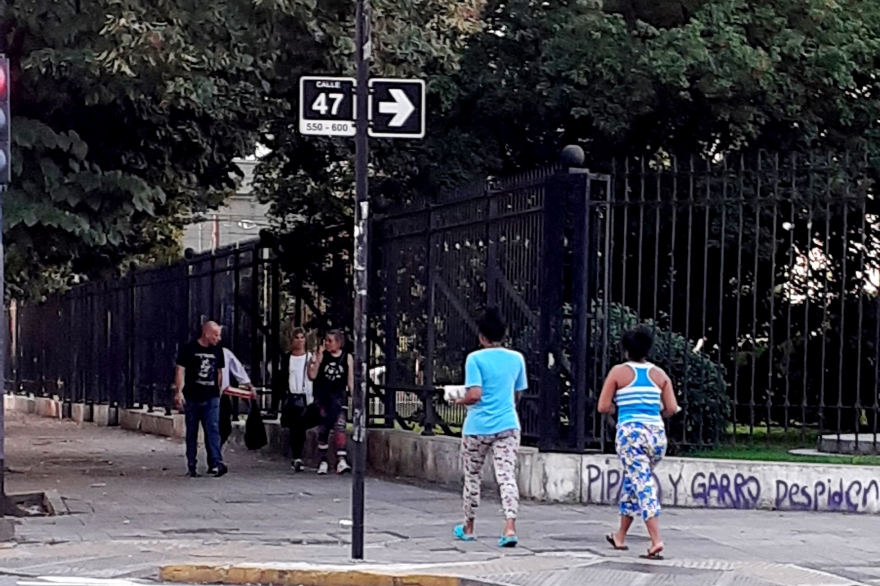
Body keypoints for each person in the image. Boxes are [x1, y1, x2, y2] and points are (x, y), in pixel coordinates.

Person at [597, 325, 679, 560]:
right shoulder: (660, 375)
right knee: (633, 483)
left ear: (625, 350)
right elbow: (671, 408)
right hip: (656, 436)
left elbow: (603, 406)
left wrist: (623, 408)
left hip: (631, 435)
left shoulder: (618, 372)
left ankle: (656, 540)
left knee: (642, 485)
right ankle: (620, 535)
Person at [452, 307, 527, 548]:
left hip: (478, 426)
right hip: (507, 424)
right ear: (504, 334)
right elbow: (518, 393)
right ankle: (509, 527)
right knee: (506, 476)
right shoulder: (517, 359)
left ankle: (469, 526)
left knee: (473, 476)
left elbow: (475, 394)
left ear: (482, 336)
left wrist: (458, 401)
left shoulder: (475, 359)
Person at [174, 321, 228, 478]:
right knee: (192, 431)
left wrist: (218, 391)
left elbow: (219, 372)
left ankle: (216, 462)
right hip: (192, 396)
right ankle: (192, 463)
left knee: (212, 429)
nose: (219, 338)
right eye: (216, 335)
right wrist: (179, 392)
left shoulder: (218, 350)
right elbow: (180, 370)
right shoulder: (189, 349)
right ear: (207, 334)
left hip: (211, 396)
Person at [306, 329, 353, 475]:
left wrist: (353, 395)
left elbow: (350, 379)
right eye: (326, 340)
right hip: (323, 397)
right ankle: (323, 460)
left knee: (340, 426)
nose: (327, 343)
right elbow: (312, 376)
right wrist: (314, 362)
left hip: (338, 397)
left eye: (330, 341)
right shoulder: (322, 356)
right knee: (324, 427)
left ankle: (341, 459)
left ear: (339, 343)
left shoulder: (347, 358)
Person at [278, 327, 314, 471]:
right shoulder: (287, 358)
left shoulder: (310, 357)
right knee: (295, 427)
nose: (299, 341)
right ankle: (296, 456)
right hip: (293, 395)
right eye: (296, 337)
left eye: (302, 337)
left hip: (307, 396)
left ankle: (299, 455)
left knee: (302, 425)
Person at [218, 346, 257, 448]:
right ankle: (214, 456)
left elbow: (237, 368)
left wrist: (249, 385)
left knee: (225, 427)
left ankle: (216, 451)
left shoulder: (224, 353)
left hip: (223, 395)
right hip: (206, 395)